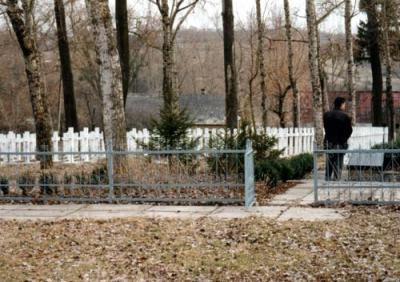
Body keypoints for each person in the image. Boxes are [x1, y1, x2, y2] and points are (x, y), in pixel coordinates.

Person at [323, 97, 353, 181]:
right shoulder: (345, 116)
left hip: (329, 141)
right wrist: (344, 138)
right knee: (338, 162)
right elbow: (349, 130)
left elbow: (326, 128)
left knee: (329, 162)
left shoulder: (326, 115)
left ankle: (327, 178)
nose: (344, 106)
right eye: (344, 104)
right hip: (340, 142)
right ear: (341, 104)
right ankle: (336, 179)